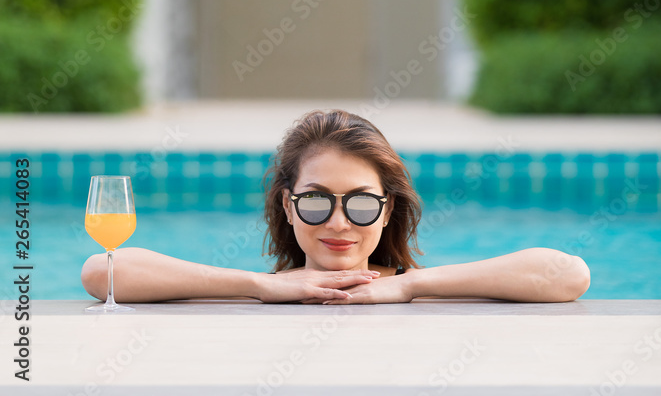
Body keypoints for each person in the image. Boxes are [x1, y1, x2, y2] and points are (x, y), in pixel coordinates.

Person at [81, 108, 590, 304]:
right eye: (317, 202)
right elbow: (100, 273)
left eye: (363, 204)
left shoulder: (415, 292)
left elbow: (569, 275)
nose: (341, 222)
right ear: (287, 204)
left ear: (388, 210)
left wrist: (410, 284)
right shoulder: (268, 291)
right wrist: (261, 285)